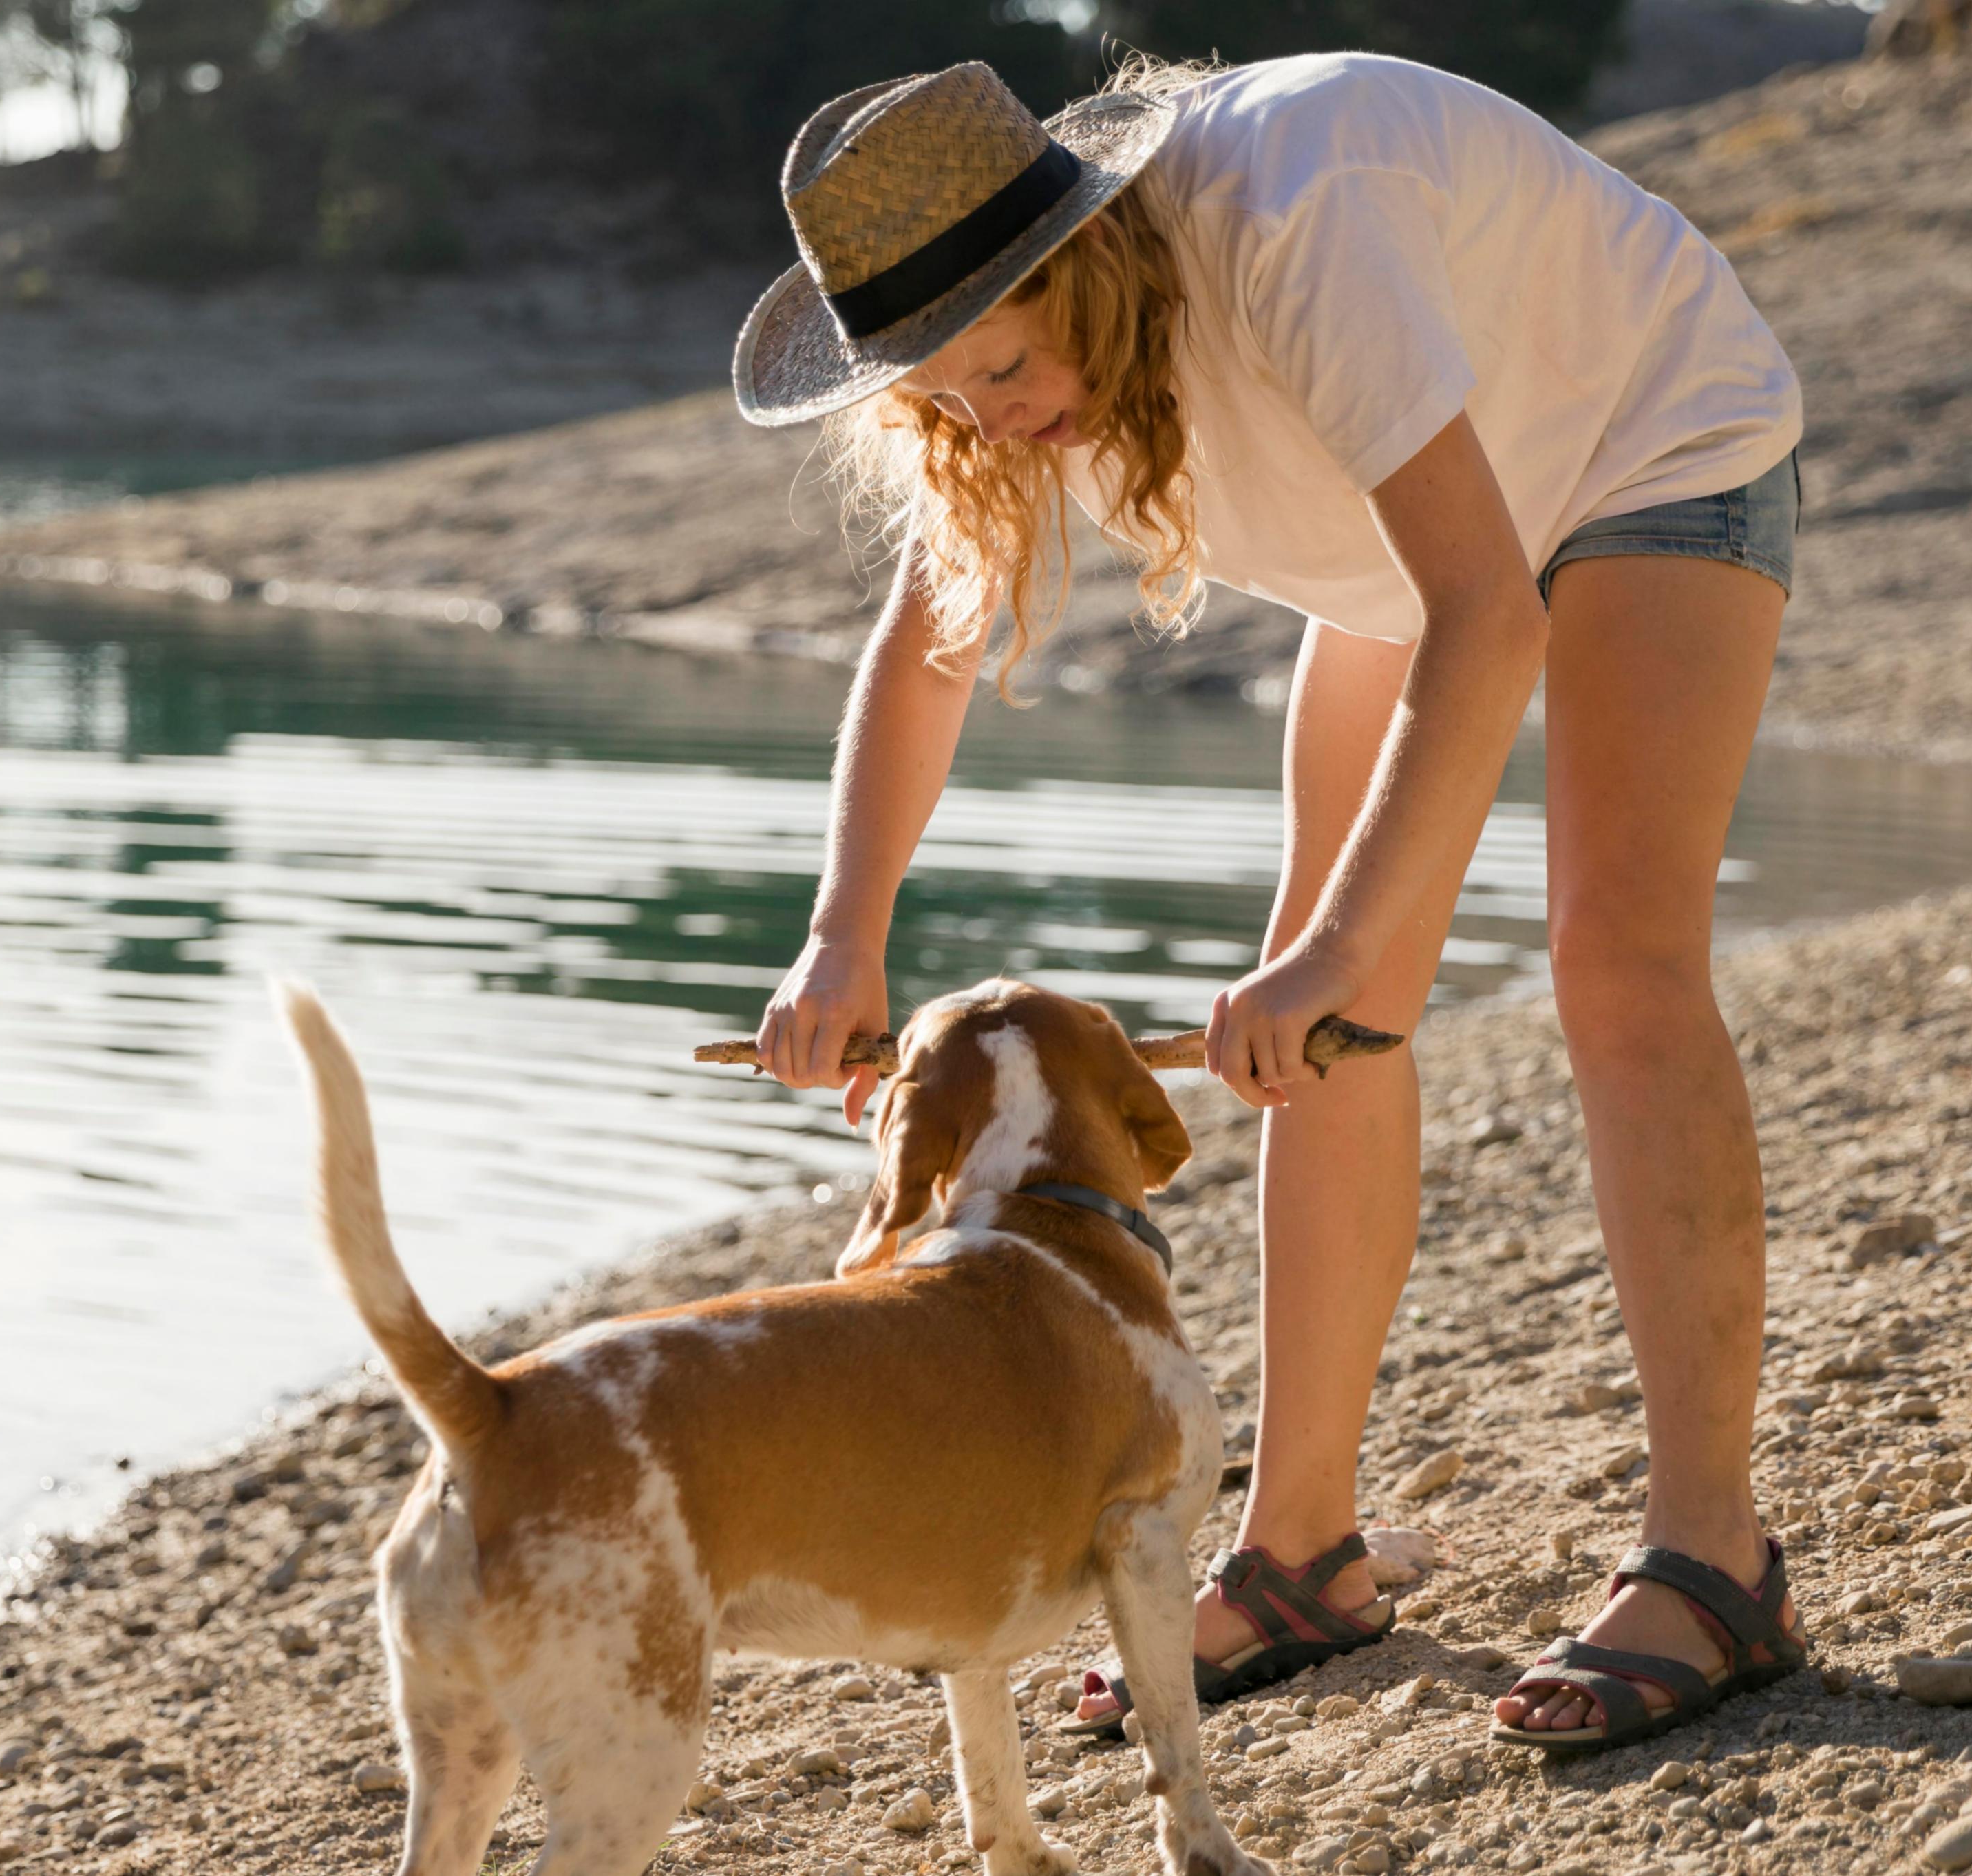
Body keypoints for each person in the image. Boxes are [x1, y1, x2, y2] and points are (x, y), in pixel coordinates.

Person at [736, 52, 1813, 1749]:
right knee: (1324, 1023)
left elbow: (1489, 610)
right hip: (1405, 536)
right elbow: (926, 648)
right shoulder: (989, 384)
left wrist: (1333, 949)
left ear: (1083, 260)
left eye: (1005, 366)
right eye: (940, 395)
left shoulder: (1294, 213)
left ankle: (1714, 1556)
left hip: (1636, 432)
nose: (988, 416)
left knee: (1614, 961)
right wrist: (842, 926)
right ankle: (1304, 1547)